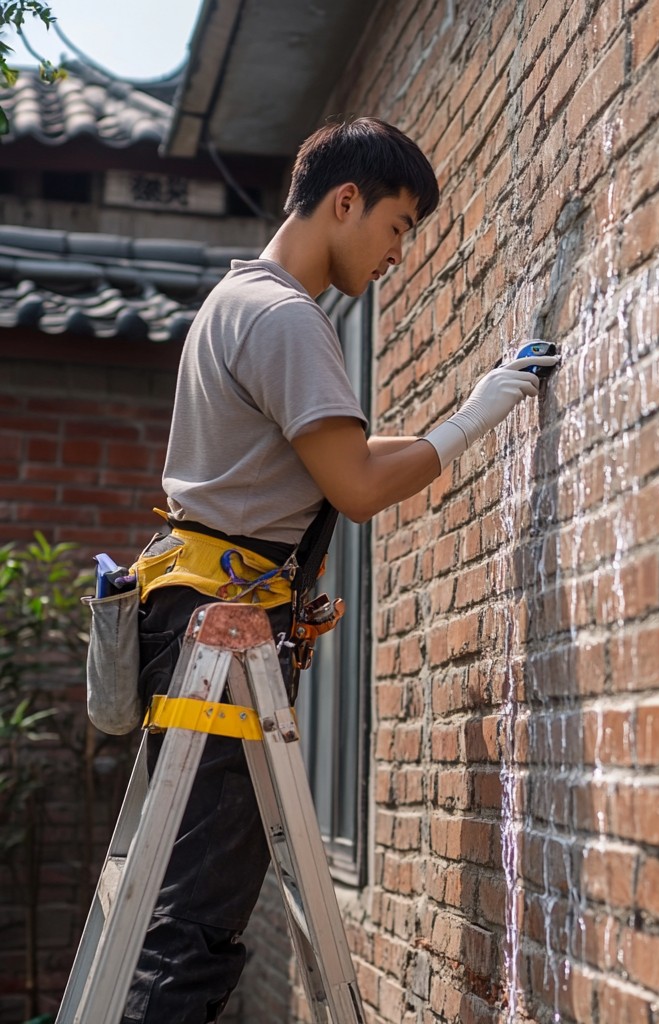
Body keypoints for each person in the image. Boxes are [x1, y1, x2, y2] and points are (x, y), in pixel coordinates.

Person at [121, 116, 558, 1023]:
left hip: (191, 613)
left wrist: (467, 407)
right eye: (398, 225)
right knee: (195, 928)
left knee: (173, 904)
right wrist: (472, 423)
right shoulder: (287, 318)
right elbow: (354, 486)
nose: (399, 252)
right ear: (345, 200)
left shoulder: (238, 302)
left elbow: (330, 457)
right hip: (222, 636)